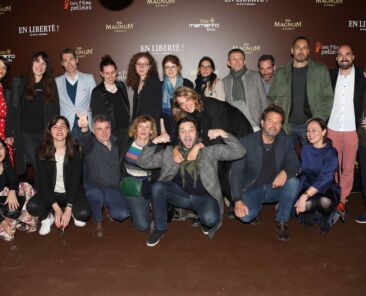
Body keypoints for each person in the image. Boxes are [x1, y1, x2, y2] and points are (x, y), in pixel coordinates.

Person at [138, 116, 246, 247]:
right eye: (182, 131)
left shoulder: (208, 151)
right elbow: (143, 162)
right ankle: (160, 228)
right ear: (178, 135)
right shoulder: (170, 153)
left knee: (211, 220)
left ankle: (199, 216)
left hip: (204, 197)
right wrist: (155, 141)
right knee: (157, 187)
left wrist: (223, 133)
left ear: (197, 133)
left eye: (191, 130)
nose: (187, 134)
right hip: (180, 195)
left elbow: (240, 151)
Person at [231, 105, 300, 241]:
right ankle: (255, 209)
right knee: (245, 217)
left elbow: (295, 164)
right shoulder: (246, 142)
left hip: (274, 187)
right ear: (262, 123)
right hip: (252, 188)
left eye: (278, 122)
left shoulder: (285, 140)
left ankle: (282, 221)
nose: (274, 126)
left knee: (293, 182)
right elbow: (236, 173)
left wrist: (285, 172)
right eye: (270, 121)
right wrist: (237, 200)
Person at [26, 116, 90, 235]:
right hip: (51, 192)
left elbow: (76, 180)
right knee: (32, 206)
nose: (59, 130)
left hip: (71, 191)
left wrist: (68, 209)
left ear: (68, 130)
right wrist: (57, 209)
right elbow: (43, 182)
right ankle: (47, 217)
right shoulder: (41, 152)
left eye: (63, 126)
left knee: (83, 214)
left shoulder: (76, 150)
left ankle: (73, 213)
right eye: (55, 127)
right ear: (50, 131)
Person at [268, 36, 334, 147]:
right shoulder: (281, 72)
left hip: (310, 126)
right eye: (298, 47)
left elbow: (328, 98)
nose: (301, 51)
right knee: (286, 161)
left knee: (311, 161)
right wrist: (277, 120)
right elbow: (271, 98)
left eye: (304, 48)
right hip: (286, 126)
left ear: (308, 51)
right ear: (292, 50)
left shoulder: (320, 70)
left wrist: (316, 121)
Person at [8, 51, 60, 181]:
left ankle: (43, 195)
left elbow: (55, 110)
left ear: (46, 67)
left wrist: (56, 131)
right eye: (37, 62)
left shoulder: (50, 84)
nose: (40, 66)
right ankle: (46, 196)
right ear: (32, 63)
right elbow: (12, 109)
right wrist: (9, 132)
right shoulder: (19, 82)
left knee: (46, 165)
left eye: (44, 63)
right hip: (26, 133)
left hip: (45, 134)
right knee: (39, 165)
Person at [328, 44, 366, 216]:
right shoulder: (330, 75)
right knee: (333, 167)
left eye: (347, 54)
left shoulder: (361, 76)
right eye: (340, 55)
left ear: (353, 57)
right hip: (332, 128)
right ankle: (335, 196)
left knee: (349, 168)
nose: (344, 57)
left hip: (352, 130)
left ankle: (342, 200)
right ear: (336, 58)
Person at [294, 118, 340, 233]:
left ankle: (325, 217)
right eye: (308, 131)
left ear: (324, 132)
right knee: (308, 205)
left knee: (325, 203)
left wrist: (304, 195)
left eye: (314, 130)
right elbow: (302, 169)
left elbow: (326, 179)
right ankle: (311, 213)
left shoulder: (331, 152)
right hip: (308, 184)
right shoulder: (305, 149)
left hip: (327, 187)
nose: (309, 134)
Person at [120, 115, 159, 232]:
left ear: (151, 130)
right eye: (140, 126)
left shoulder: (156, 147)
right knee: (143, 226)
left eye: (147, 127)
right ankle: (138, 208)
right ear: (135, 128)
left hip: (149, 185)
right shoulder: (126, 144)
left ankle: (148, 206)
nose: (143, 130)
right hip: (131, 185)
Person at [55, 48, 96, 141]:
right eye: (65, 61)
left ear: (77, 60)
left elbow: (96, 102)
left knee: (88, 154)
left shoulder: (89, 79)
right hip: (66, 129)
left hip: (86, 127)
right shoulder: (57, 82)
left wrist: (89, 109)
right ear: (62, 63)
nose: (69, 63)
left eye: (71, 59)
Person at [223, 48, 267, 131]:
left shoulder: (255, 76)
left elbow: (264, 100)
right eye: (234, 59)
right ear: (229, 63)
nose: (237, 61)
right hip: (235, 126)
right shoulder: (225, 81)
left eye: (240, 59)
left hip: (256, 125)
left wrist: (263, 120)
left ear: (244, 61)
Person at [90, 55, 130, 145]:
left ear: (116, 72)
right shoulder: (97, 92)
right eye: (107, 73)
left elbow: (126, 108)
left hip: (126, 132)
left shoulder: (121, 86)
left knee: (128, 158)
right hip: (110, 135)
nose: (110, 76)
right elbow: (96, 118)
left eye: (112, 72)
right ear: (102, 74)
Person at [126, 52, 162, 132]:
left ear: (149, 67)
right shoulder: (137, 83)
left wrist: (152, 129)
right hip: (139, 128)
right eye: (138, 64)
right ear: (134, 66)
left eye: (145, 64)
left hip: (150, 129)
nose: (141, 67)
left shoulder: (154, 83)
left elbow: (158, 110)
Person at [160, 55, 193, 140]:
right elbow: (160, 113)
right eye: (167, 67)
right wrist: (163, 131)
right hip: (168, 129)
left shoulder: (187, 84)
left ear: (178, 67)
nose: (170, 70)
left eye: (173, 67)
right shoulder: (159, 86)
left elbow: (192, 109)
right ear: (164, 69)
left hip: (186, 127)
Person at [0, 139, 25, 241]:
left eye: (0, 148)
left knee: (25, 186)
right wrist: (2, 221)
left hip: (2, 201)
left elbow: (14, 178)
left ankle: (17, 218)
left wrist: (12, 191)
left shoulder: (5, 163)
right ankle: (8, 221)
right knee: (9, 236)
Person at [0, 56, 14, 165]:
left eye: (4, 67)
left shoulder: (7, 90)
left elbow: (11, 115)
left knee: (6, 166)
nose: (1, 70)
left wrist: (10, 134)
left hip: (4, 132)